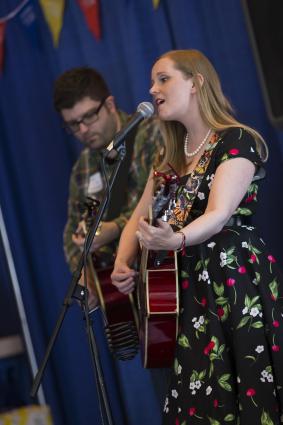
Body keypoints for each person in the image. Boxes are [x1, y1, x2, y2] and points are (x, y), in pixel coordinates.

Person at [111, 49, 283, 424]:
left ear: (196, 82)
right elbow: (137, 219)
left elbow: (219, 214)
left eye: (163, 78)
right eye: (152, 80)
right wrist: (123, 262)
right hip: (186, 295)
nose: (152, 88)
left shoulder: (235, 140)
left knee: (243, 390)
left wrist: (177, 240)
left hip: (230, 284)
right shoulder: (170, 157)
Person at [53, 66, 163, 308]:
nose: (83, 130)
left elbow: (167, 201)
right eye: (73, 124)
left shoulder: (152, 134)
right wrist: (82, 276)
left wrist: (116, 228)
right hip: (122, 301)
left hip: (163, 276)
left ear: (110, 105)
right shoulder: (82, 168)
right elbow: (73, 233)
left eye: (89, 116)